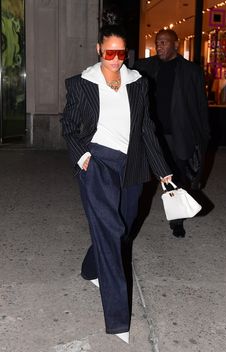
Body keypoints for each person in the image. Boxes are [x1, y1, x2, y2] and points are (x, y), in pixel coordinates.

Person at [61, 12, 172, 344]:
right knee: (110, 233)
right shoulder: (81, 84)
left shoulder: (138, 83)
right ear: (98, 49)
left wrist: (162, 169)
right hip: (97, 163)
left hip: (133, 164)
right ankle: (118, 320)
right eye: (108, 52)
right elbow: (68, 127)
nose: (114, 59)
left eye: (120, 53)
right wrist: (83, 157)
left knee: (123, 225)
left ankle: (89, 268)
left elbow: (146, 129)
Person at [134, 29, 210, 238]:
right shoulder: (144, 67)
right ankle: (133, 218)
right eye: (158, 42)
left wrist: (202, 135)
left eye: (164, 42)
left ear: (176, 45)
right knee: (141, 178)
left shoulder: (191, 71)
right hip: (150, 134)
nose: (160, 46)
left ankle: (177, 221)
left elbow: (199, 105)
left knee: (176, 180)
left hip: (177, 135)